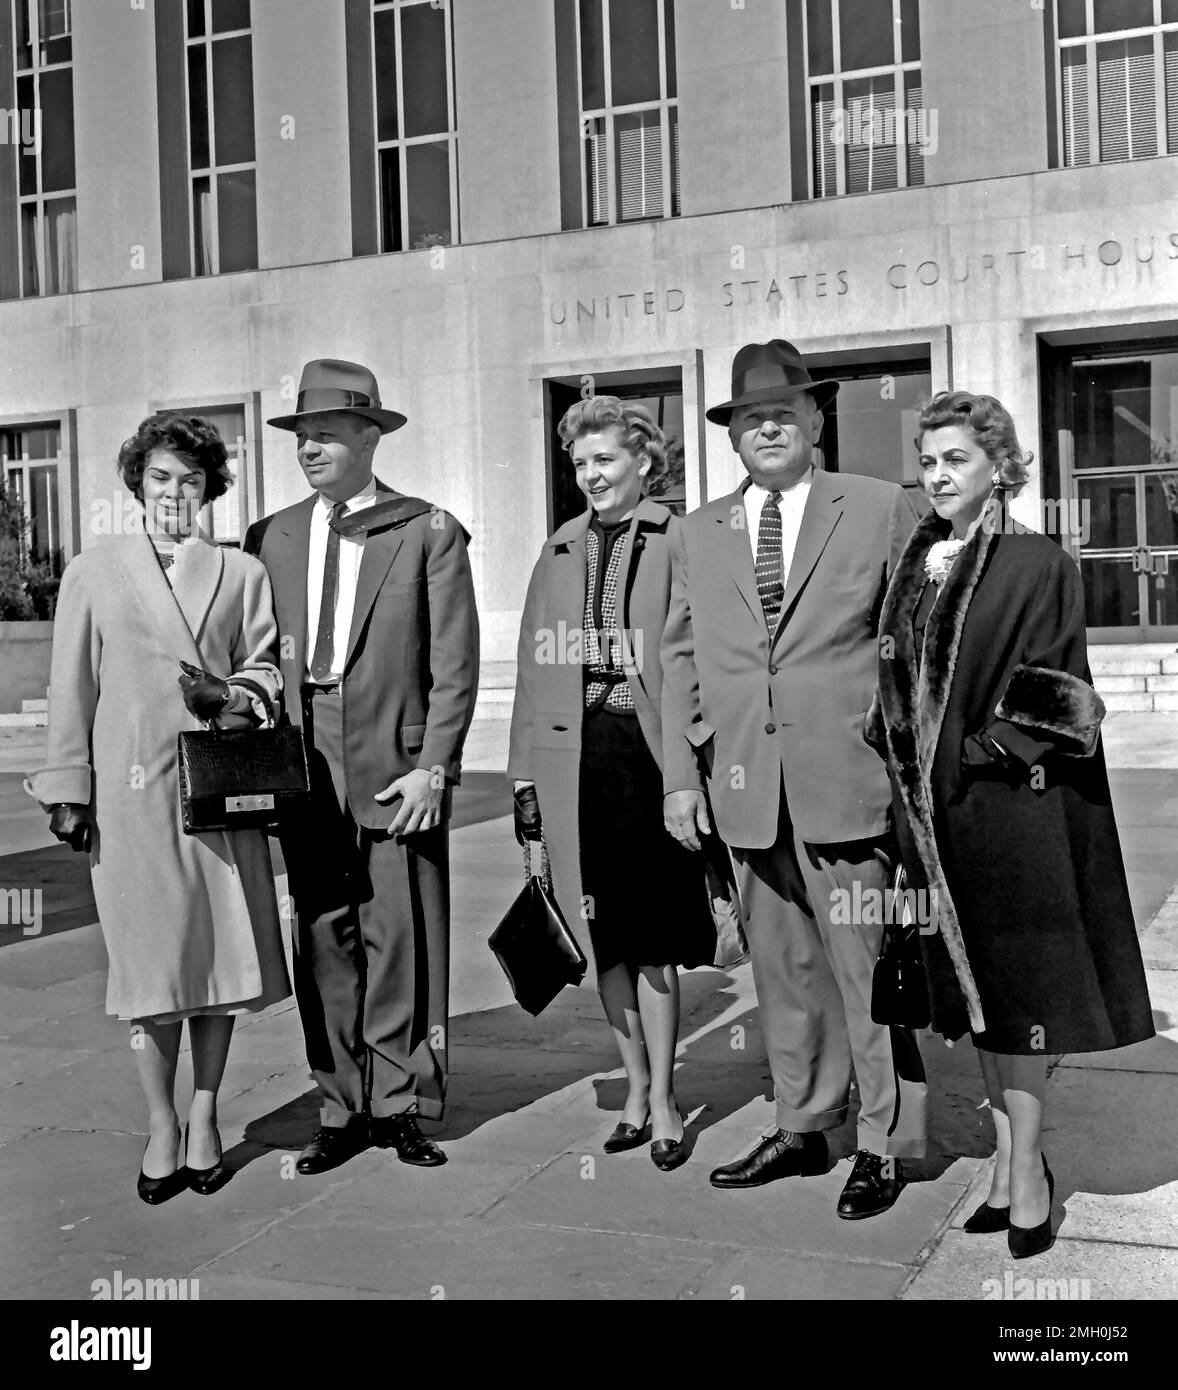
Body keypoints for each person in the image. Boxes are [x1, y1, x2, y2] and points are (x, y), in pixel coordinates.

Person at [866, 390, 1154, 1258]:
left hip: (1013, 811)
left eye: (957, 459)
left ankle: (1029, 1169)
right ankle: (1005, 1163)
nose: (939, 476)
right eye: (929, 462)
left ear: (1000, 465)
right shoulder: (923, 562)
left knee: (1021, 997)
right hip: (937, 818)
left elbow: (1061, 689)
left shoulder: (1037, 558)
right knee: (979, 998)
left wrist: (981, 747)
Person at [661, 338, 925, 1218]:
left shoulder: (882, 506)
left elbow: (916, 645)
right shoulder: (699, 530)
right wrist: (682, 777)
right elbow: (679, 660)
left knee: (869, 972)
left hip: (847, 779)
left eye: (782, 413)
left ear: (816, 420)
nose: (765, 428)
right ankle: (805, 1126)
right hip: (745, 789)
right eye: (747, 419)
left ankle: (885, 1144)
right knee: (782, 974)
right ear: (731, 436)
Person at [25, 412, 290, 1203]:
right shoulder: (93, 572)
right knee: (150, 970)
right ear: (137, 482)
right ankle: (160, 1123)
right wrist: (68, 789)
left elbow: (267, 669)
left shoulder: (241, 573)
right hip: (130, 800)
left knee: (215, 962)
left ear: (212, 488)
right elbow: (69, 689)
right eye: (163, 477)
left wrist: (236, 692)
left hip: (216, 790)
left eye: (194, 479)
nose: (177, 492)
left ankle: (205, 1116)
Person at [245, 358, 479, 1175]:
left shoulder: (427, 528)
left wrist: (435, 768)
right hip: (304, 755)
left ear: (369, 437)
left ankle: (399, 1103)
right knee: (322, 932)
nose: (310, 446)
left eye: (327, 433)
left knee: (399, 931)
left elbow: (455, 662)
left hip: (394, 751)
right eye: (302, 435)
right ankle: (340, 1104)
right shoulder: (270, 535)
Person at [508, 396, 717, 1171]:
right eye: (580, 464)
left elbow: (695, 663)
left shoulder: (679, 538)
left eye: (604, 459)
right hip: (573, 762)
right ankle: (632, 1088)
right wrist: (523, 779)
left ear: (644, 462)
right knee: (602, 939)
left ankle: (665, 1098)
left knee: (653, 935)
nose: (591, 475)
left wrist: (689, 772)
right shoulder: (558, 548)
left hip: (648, 754)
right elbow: (533, 672)